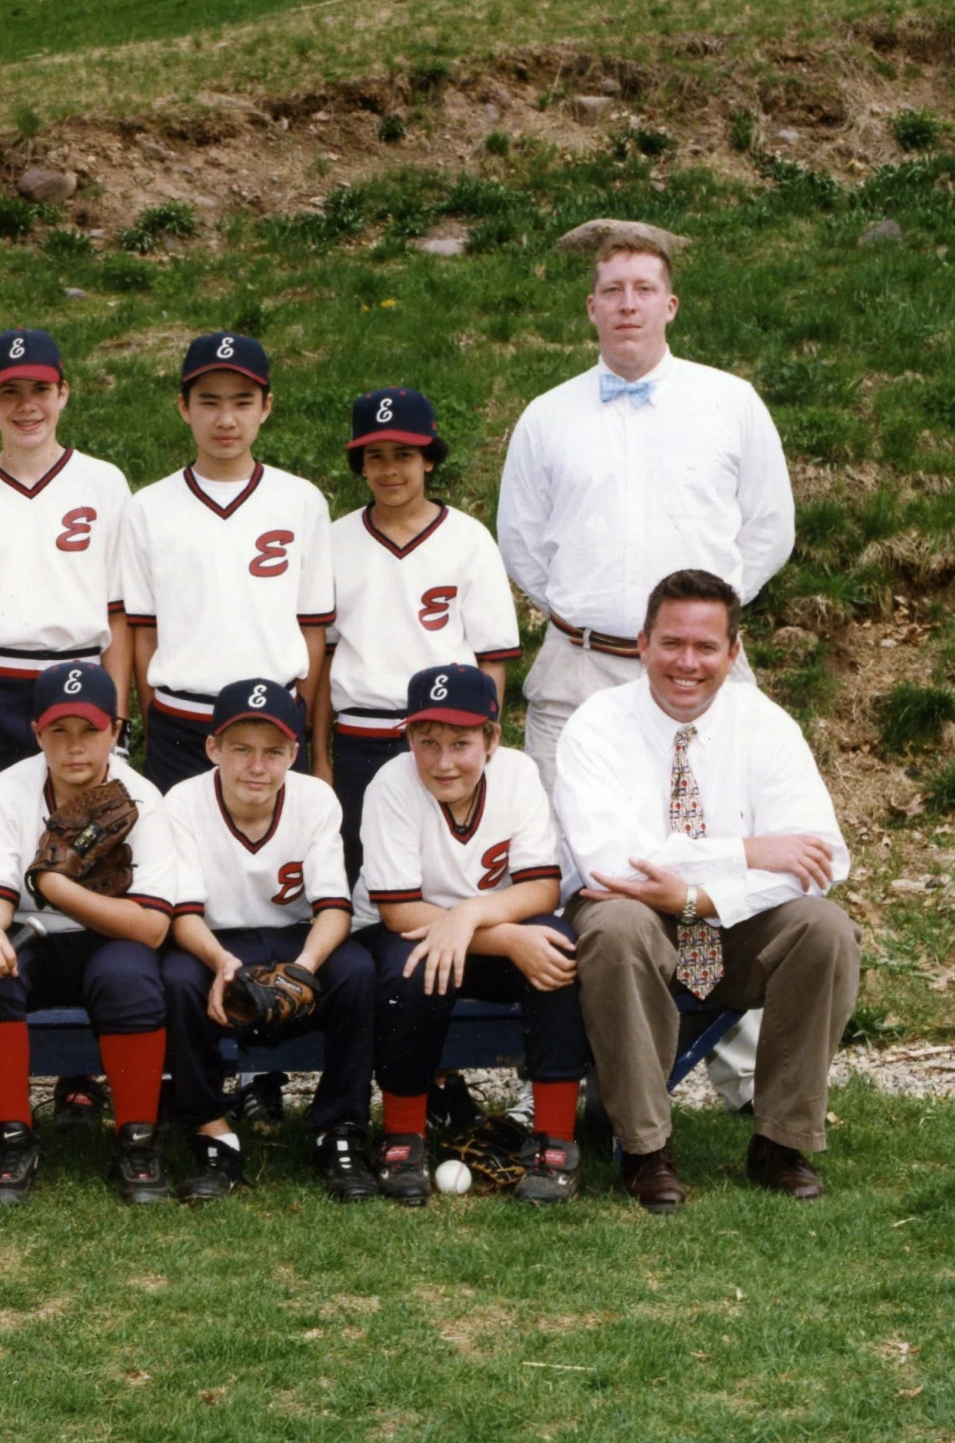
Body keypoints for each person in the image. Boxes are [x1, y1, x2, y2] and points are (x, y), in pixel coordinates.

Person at [553, 571, 858, 1212]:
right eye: (671, 643)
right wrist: (746, 850)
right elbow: (611, 865)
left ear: (733, 653)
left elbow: (823, 856)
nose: (686, 663)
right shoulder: (596, 725)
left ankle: (781, 1140)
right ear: (641, 643)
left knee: (824, 928)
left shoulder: (765, 724)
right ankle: (645, 1147)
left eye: (705, 647)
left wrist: (704, 900)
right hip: (635, 921)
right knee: (614, 924)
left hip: (732, 924)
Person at [496, 230, 794, 790]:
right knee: (567, 850)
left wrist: (703, 616)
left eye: (643, 289)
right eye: (612, 290)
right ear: (592, 307)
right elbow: (520, 539)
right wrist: (584, 608)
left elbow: (770, 529)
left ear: (669, 304)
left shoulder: (731, 403)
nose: (628, 304)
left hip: (698, 672)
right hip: (578, 672)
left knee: (713, 833)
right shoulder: (547, 415)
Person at [355, 665, 587, 1206]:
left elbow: (542, 888)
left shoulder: (518, 773)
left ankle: (554, 1142)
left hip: (484, 925)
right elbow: (397, 913)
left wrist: (470, 916)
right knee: (409, 970)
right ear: (408, 737)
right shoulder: (392, 782)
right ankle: (403, 1138)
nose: (442, 761)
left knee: (555, 951)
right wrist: (499, 937)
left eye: (461, 742)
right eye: (426, 741)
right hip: (408, 932)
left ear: (492, 739)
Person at [0, 663, 177, 1206]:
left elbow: (152, 927)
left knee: (131, 978)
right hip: (32, 937)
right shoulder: (8, 791)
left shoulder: (143, 798)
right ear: (37, 732)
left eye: (90, 731)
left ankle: (136, 1139)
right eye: (60, 731)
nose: (75, 746)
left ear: (114, 731)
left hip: (113, 940)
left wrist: (53, 885)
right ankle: (13, 1137)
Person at [160, 680, 375, 1202]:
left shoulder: (315, 798)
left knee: (356, 973)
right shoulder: (183, 801)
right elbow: (182, 915)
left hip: (296, 938)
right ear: (213, 749)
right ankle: (212, 1133)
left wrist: (303, 968)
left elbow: (334, 910)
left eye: (273, 751)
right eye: (241, 749)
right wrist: (220, 962)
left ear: (294, 754)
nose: (257, 766)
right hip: (214, 937)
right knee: (178, 979)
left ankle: (339, 1132)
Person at [0, 329, 133, 808]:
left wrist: (118, 720)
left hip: (77, 685)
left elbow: (117, 615)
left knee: (79, 842)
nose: (26, 406)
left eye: (40, 390)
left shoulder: (103, 483)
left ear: (63, 393)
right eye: (9, 392)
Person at [119, 333, 333, 791]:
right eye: (209, 402)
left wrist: (298, 717)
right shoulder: (148, 507)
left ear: (266, 406)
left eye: (242, 402)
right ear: (184, 407)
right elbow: (145, 631)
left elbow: (312, 627)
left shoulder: (301, 501)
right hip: (181, 719)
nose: (226, 419)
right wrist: (156, 720)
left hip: (271, 720)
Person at [321, 388, 517, 879]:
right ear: (359, 465)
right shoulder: (334, 539)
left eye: (404, 455)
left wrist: (484, 740)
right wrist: (320, 757)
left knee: (444, 870)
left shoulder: (468, 538)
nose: (390, 469)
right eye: (375, 456)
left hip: (446, 733)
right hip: (359, 735)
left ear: (429, 459)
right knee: (362, 872)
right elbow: (323, 656)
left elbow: (491, 657)